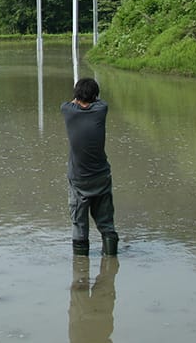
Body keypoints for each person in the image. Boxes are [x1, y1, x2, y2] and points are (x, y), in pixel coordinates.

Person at [61, 78, 117, 257]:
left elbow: (70, 102)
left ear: (76, 96)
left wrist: (76, 98)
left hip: (78, 179)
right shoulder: (101, 109)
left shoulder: (67, 110)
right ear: (95, 96)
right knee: (106, 223)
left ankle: (80, 271)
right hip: (102, 176)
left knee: (79, 223)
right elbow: (99, 101)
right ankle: (110, 262)